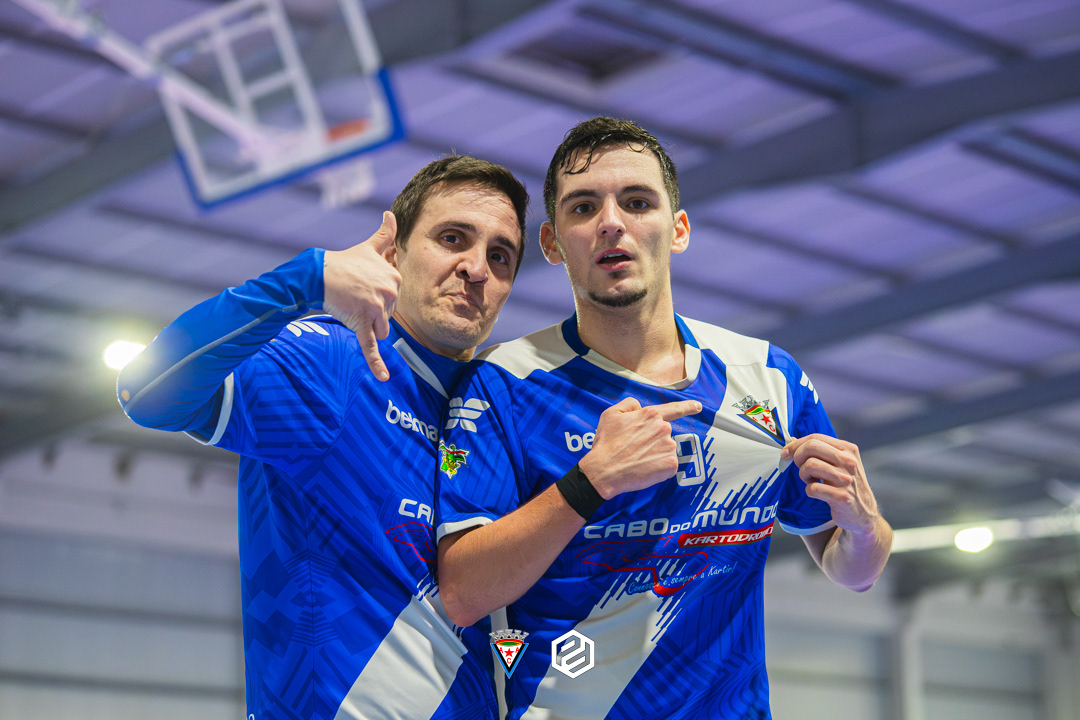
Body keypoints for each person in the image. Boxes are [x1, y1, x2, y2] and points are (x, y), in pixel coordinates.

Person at [435, 118, 893, 720]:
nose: (611, 222)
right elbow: (463, 593)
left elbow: (853, 571)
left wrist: (865, 525)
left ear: (677, 229)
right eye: (583, 207)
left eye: (637, 202)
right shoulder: (505, 383)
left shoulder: (767, 376)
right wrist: (590, 482)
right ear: (552, 242)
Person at [117, 155, 529, 720]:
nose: (476, 268)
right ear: (394, 254)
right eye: (452, 238)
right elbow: (146, 392)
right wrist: (305, 280)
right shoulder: (331, 364)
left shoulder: (504, 414)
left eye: (500, 256)